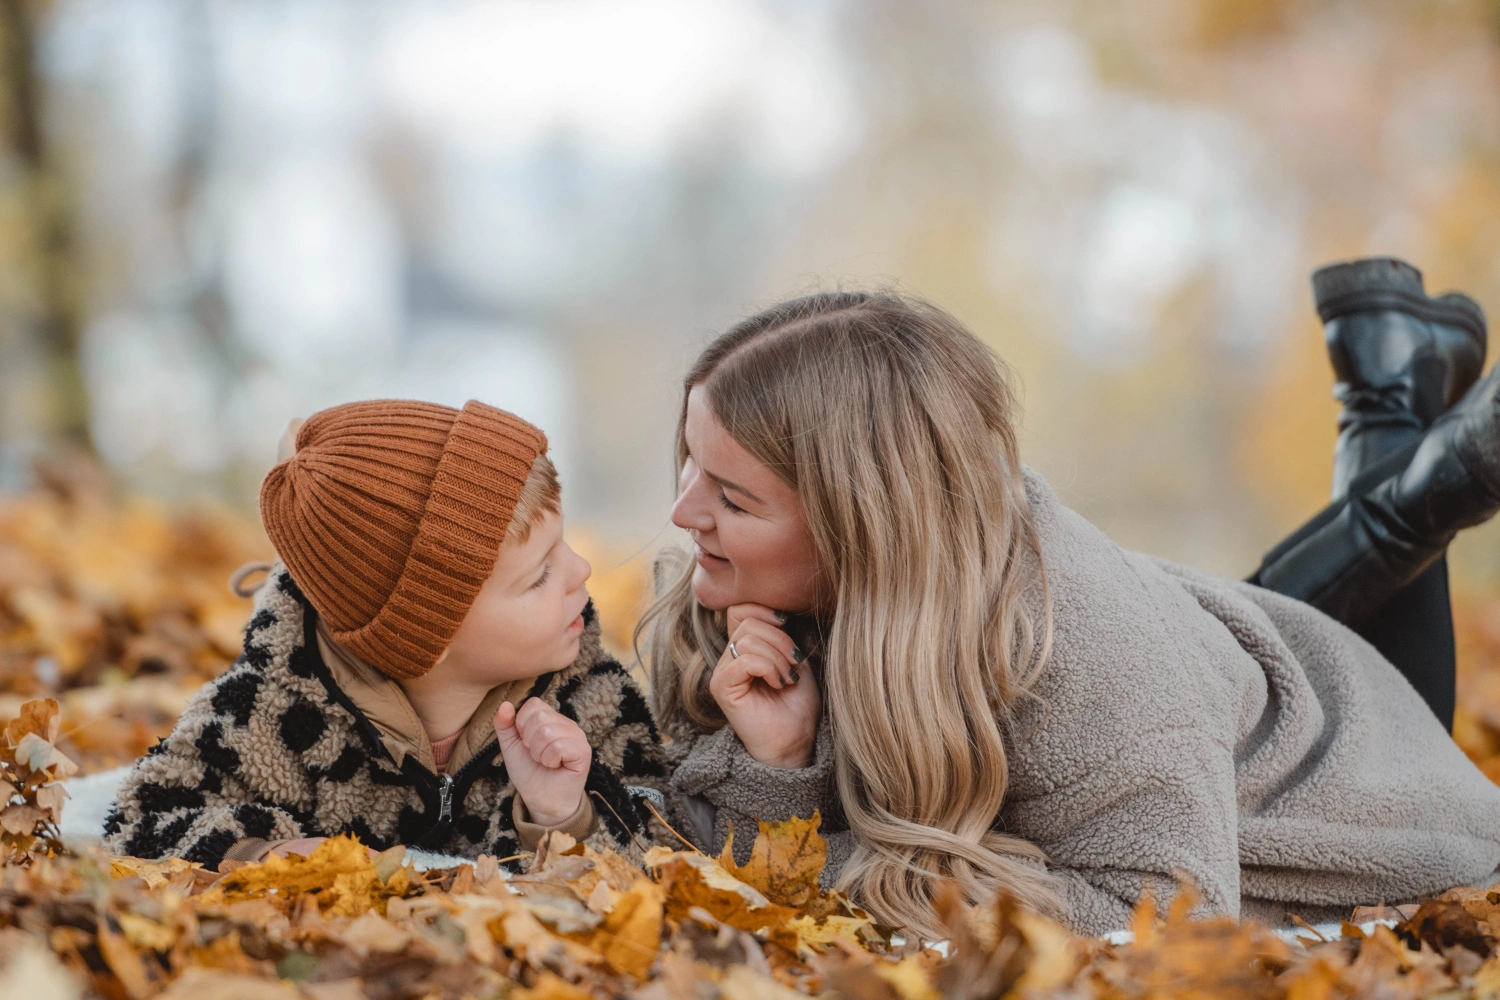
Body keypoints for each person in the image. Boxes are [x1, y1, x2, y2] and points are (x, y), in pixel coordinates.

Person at [641, 270, 1500, 940]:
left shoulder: (1083, 661)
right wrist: (783, 768)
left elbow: (1160, 925)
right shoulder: (754, 600)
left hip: (1389, 802)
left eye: (733, 497)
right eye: (689, 465)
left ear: (863, 521)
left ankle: (1419, 438)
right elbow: (698, 854)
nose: (683, 514)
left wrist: (872, 870)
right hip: (1247, 677)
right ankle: (1399, 398)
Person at [104, 399, 667, 869]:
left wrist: (561, 818)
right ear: (427, 634)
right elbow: (137, 822)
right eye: (540, 574)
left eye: (562, 546)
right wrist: (268, 854)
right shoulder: (268, 713)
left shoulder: (591, 704)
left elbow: (664, 853)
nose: (581, 572)